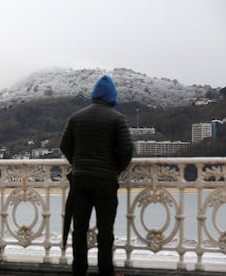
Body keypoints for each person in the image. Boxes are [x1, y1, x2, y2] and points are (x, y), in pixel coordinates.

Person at [60, 75, 133, 276]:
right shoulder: (117, 119)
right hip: (105, 181)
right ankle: (105, 270)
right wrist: (115, 168)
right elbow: (127, 150)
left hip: (80, 180)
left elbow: (64, 145)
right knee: (105, 230)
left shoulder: (76, 117)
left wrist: (78, 162)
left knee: (80, 228)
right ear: (112, 96)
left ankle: (79, 269)